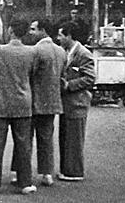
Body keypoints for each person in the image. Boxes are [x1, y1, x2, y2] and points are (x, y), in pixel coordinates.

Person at [0, 19, 38, 195]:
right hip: (23, 102)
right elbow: (32, 74)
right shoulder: (32, 52)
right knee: (23, 144)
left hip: (2, 102)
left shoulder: (0, 50)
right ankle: (25, 182)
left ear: (11, 30)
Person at [27, 18, 66, 187]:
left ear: (42, 30)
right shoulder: (60, 51)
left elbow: (29, 74)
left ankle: (22, 172)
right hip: (52, 101)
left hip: (34, 100)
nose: (31, 32)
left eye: (34, 29)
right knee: (46, 139)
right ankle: (47, 173)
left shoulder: (35, 51)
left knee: (25, 138)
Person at [56, 21, 96, 181]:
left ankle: (74, 171)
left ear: (69, 35)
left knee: (74, 139)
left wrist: (69, 85)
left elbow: (90, 78)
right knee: (66, 136)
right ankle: (67, 169)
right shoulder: (66, 51)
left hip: (77, 102)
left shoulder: (83, 54)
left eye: (60, 34)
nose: (58, 38)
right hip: (67, 103)